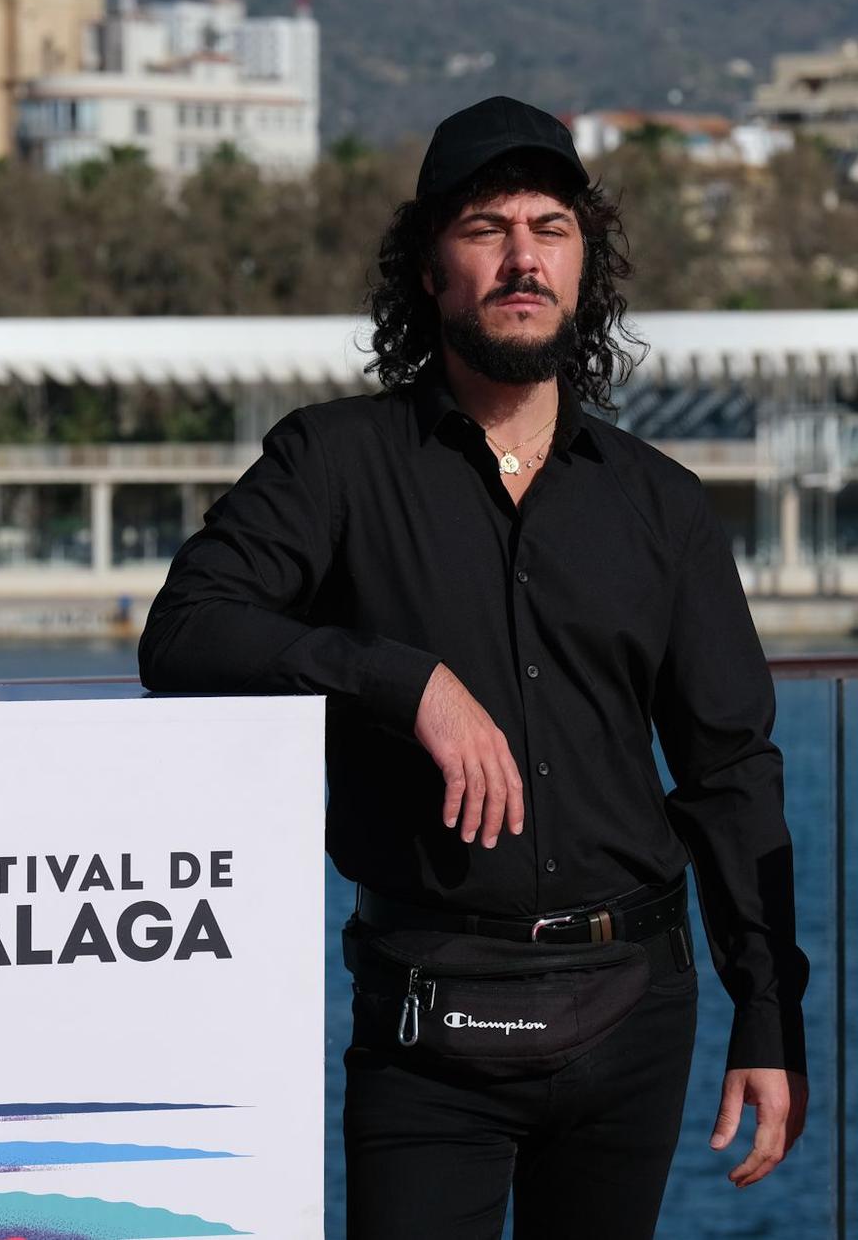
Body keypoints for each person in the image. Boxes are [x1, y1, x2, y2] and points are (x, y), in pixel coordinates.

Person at [138, 95, 809, 1239]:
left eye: (549, 228)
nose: (519, 258)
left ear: (583, 266)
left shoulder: (660, 504)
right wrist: (402, 682)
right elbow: (186, 631)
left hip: (635, 1014)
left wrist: (767, 1013)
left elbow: (727, 768)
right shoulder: (334, 462)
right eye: (484, 229)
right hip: (425, 1023)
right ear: (430, 271)